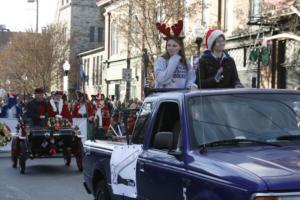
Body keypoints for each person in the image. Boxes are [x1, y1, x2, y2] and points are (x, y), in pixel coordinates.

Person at [155, 20, 197, 89]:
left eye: (174, 46)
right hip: (164, 95)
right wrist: (173, 61)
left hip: (180, 96)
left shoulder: (185, 62)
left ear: (180, 47)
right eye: (169, 45)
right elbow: (161, 79)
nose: (171, 48)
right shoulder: (161, 60)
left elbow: (191, 77)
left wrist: (190, 86)